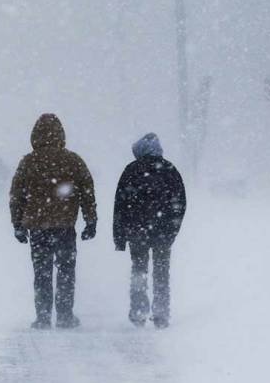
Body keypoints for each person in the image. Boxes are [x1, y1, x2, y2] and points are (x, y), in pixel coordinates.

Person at [10, 114, 97, 329]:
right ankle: (65, 315)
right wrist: (90, 220)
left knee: (42, 272)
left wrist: (18, 225)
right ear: (61, 134)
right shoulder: (73, 160)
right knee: (66, 271)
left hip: (38, 228)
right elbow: (87, 191)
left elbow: (16, 195)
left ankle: (43, 316)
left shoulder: (28, 162)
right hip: (65, 227)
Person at [113, 133, 186, 329]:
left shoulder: (132, 170)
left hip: (137, 232)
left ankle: (138, 313)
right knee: (162, 273)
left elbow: (120, 205)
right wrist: (172, 229)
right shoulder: (170, 170)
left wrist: (120, 237)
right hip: (163, 233)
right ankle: (161, 314)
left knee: (139, 271)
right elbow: (179, 203)